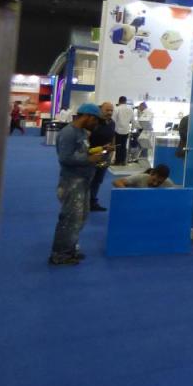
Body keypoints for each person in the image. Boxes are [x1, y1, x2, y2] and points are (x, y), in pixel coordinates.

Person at [49, 103, 106, 265]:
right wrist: (89, 159)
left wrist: (98, 151)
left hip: (83, 181)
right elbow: (65, 158)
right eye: (95, 120)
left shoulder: (82, 132)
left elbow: (82, 152)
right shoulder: (68, 133)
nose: (96, 124)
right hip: (72, 182)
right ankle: (60, 254)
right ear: (87, 116)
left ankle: (70, 248)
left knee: (80, 217)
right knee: (69, 219)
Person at [88, 102, 116, 212]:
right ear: (100, 110)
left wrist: (112, 150)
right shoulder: (94, 122)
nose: (109, 112)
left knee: (98, 180)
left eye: (111, 110)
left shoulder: (112, 123)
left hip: (105, 156)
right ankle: (83, 202)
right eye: (107, 110)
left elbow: (112, 137)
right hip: (91, 155)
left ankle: (92, 202)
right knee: (88, 179)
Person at [112, 96, 133, 166]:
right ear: (125, 101)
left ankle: (117, 161)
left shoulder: (117, 109)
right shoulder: (130, 109)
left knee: (118, 146)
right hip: (126, 130)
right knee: (124, 146)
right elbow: (132, 120)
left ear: (119, 101)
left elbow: (113, 120)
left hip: (118, 130)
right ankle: (123, 161)